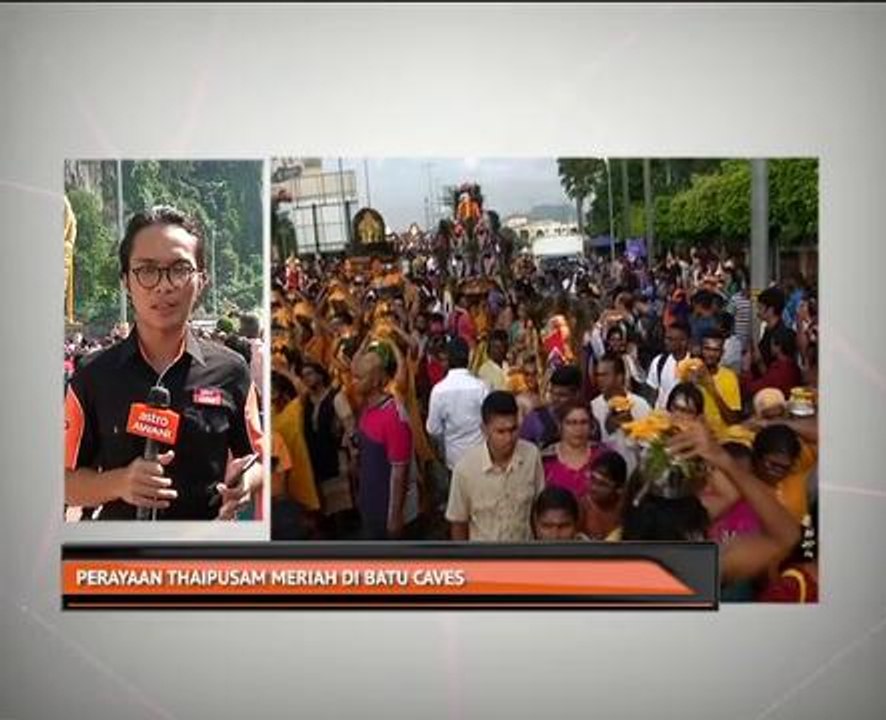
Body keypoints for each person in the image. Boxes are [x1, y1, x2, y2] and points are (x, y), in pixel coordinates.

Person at [64, 206, 263, 521]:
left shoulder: (232, 371)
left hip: (202, 558)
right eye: (146, 270)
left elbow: (257, 458)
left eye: (180, 269)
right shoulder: (92, 375)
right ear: (126, 281)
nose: (163, 285)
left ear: (202, 281)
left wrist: (246, 483)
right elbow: (65, 482)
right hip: (120, 562)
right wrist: (119, 483)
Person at [446, 391, 545, 541]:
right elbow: (459, 523)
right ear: (484, 430)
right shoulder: (465, 469)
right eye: (500, 432)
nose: (509, 438)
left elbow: (538, 510)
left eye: (513, 430)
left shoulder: (531, 456)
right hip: (483, 559)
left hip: (524, 556)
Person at [352, 350, 418, 539]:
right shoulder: (367, 408)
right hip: (369, 499)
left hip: (385, 506)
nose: (354, 382)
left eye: (359, 378)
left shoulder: (393, 416)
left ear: (374, 381)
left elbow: (399, 471)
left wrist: (395, 516)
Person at [425, 337, 488, 474]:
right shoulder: (481, 387)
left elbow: (433, 430)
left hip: (454, 460)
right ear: (468, 358)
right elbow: (488, 421)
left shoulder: (439, 390)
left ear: (447, 360)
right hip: (479, 458)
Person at [541, 401, 608, 499]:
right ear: (560, 426)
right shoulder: (545, 459)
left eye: (583, 422)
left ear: (591, 425)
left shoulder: (604, 455)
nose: (578, 429)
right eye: (571, 423)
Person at [590, 354, 652, 445]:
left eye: (604, 375)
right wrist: (608, 429)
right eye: (598, 375)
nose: (599, 379)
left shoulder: (640, 405)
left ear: (619, 377)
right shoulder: (592, 407)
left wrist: (631, 428)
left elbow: (650, 447)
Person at [519, 364, 584, 449]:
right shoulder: (534, 419)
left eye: (562, 395)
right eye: (552, 393)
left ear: (577, 394)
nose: (555, 399)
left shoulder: (587, 421)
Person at [693, 329, 743, 439]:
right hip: (695, 440)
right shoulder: (690, 373)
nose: (711, 354)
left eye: (716, 350)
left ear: (722, 352)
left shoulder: (730, 378)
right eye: (707, 349)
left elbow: (733, 421)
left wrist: (711, 389)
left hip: (722, 442)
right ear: (700, 349)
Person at [578, 451, 628, 541]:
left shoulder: (627, 509)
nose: (593, 487)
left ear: (619, 489)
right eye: (592, 479)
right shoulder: (581, 508)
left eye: (602, 484)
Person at [646, 319, 691, 410]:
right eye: (666, 338)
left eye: (670, 339)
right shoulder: (659, 361)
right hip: (661, 417)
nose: (666, 342)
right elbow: (653, 392)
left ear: (684, 341)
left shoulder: (695, 365)